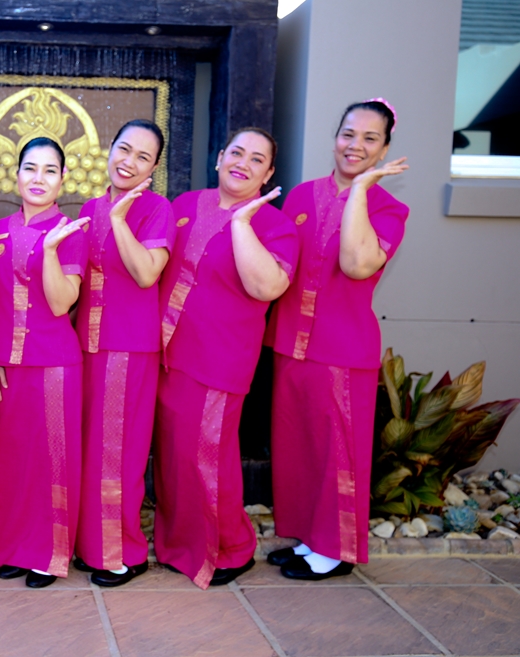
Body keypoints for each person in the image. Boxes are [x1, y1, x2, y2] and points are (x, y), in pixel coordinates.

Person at [267, 99, 409, 581]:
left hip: (343, 348)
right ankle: (310, 538)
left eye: (370, 139)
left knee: (338, 452)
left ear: (384, 149)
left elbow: (356, 264)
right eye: (349, 133)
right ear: (336, 137)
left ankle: (335, 551)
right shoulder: (301, 196)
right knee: (298, 447)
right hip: (291, 343)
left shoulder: (389, 208)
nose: (356, 145)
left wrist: (361, 191)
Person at [153, 128, 298, 588]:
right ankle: (180, 545)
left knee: (208, 457)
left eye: (257, 159)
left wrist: (241, 224)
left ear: (268, 174)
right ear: (219, 158)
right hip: (167, 352)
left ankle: (230, 548)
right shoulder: (185, 204)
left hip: (219, 358)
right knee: (175, 456)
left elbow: (268, 287)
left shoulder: (275, 225)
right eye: (237, 152)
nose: (243, 163)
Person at [74, 119, 173, 587]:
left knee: (119, 452)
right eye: (124, 149)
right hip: (88, 345)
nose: (129, 162)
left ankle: (121, 553)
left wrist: (118, 220)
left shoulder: (157, 209)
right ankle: (93, 544)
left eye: (143, 157)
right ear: (110, 148)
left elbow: (147, 273)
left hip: (127, 346)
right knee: (93, 449)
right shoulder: (89, 207)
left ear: (154, 168)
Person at [0, 137, 89, 588]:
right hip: (9, 364)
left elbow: (63, 301)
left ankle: (48, 555)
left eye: (50, 170)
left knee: (51, 461)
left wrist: (49, 251)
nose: (38, 178)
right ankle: (15, 550)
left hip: (54, 364)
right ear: (16, 174)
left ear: (62, 179)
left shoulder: (71, 231)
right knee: (13, 458)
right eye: (30, 168)